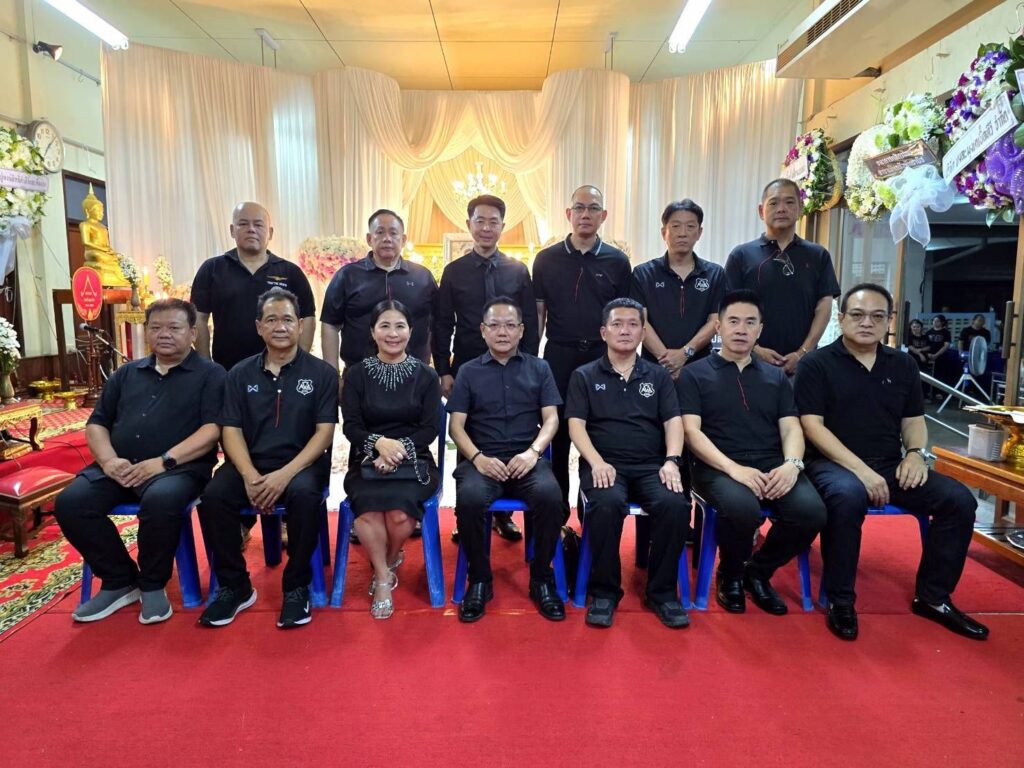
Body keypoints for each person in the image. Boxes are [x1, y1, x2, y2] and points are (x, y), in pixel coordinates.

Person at [795, 283, 988, 641]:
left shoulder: (902, 365)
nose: (866, 322)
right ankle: (840, 600)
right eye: (857, 314)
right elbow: (812, 426)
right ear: (841, 318)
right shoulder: (817, 364)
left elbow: (913, 421)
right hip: (830, 464)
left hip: (889, 464)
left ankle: (933, 597)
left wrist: (915, 454)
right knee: (848, 495)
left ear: (889, 322)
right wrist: (862, 472)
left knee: (959, 500)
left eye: (877, 316)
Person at [54, 299, 225, 623]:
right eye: (156, 327)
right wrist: (108, 461)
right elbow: (97, 424)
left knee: (161, 500)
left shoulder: (211, 374)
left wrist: (164, 461)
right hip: (118, 467)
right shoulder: (126, 373)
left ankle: (152, 584)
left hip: (178, 469)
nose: (164, 334)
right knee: (71, 503)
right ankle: (119, 579)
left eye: (174, 328)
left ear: (192, 332)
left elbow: (212, 430)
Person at [679, 289, 826, 615]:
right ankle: (729, 574)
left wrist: (792, 464)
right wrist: (734, 469)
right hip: (716, 467)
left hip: (772, 464)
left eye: (750, 322)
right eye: (733, 321)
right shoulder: (694, 374)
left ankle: (758, 571)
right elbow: (691, 433)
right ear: (718, 326)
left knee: (811, 512)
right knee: (743, 509)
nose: (741, 329)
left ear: (760, 330)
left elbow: (791, 428)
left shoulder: (776, 377)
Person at [198, 287, 338, 629]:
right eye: (271, 320)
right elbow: (230, 430)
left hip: (301, 464)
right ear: (259, 327)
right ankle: (235, 586)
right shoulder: (239, 374)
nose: (280, 327)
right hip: (250, 463)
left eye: (288, 319)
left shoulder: (322, 374)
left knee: (304, 495)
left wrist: (284, 475)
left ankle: (296, 586)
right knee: (214, 495)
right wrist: (249, 475)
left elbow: (324, 434)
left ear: (300, 325)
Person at [566, 298, 690, 629]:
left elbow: (673, 421)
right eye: (617, 324)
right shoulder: (584, 375)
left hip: (652, 465)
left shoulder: (658, 376)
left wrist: (672, 461)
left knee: (675, 505)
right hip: (604, 464)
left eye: (633, 324)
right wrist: (596, 462)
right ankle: (604, 592)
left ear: (643, 332)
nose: (625, 330)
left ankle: (662, 593)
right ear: (603, 332)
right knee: (606, 504)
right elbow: (576, 425)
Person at [446, 297, 564, 623]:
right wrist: (478, 458)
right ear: (482, 330)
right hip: (483, 460)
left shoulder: (539, 368)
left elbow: (551, 419)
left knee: (551, 497)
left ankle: (541, 578)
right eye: (495, 325)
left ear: (522, 330)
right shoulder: (468, 371)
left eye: (510, 325)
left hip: (527, 459)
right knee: (470, 499)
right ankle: (479, 580)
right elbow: (456, 426)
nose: (502, 332)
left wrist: (533, 452)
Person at [434, 194, 538, 542]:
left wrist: (529, 366)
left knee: (508, 431)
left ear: (502, 227)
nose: (486, 228)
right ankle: (468, 514)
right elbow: (442, 323)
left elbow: (530, 322)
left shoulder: (517, 270)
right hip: (467, 365)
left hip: (512, 366)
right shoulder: (454, 272)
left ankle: (503, 515)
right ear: (469, 225)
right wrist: (443, 369)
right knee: (468, 433)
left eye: (494, 222)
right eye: (480, 221)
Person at [533, 185, 631, 517]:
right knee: (558, 433)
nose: (585, 214)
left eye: (593, 208)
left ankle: (591, 507)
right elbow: (539, 313)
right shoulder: (546, 259)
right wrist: (532, 360)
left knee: (598, 430)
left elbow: (624, 316)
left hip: (601, 359)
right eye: (579, 207)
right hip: (558, 355)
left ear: (604, 215)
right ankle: (558, 510)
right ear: (568, 214)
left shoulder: (618, 261)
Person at [341, 300, 441, 619]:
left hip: (416, 460)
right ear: (373, 332)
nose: (393, 333)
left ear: (411, 331)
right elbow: (351, 426)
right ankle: (384, 576)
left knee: (399, 514)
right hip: (366, 460)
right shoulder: (355, 375)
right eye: (384, 326)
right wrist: (379, 445)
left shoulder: (427, 376)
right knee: (368, 511)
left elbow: (429, 429)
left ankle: (391, 556)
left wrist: (396, 452)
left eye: (400, 326)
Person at [725, 179, 840, 375]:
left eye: (789, 202)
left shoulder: (818, 255)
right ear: (761, 211)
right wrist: (755, 349)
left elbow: (824, 307)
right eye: (774, 203)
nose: (781, 209)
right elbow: (729, 308)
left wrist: (802, 353)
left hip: (803, 365)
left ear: (800, 208)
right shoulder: (741, 255)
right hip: (748, 362)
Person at [192, 202, 316, 373]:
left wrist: (298, 364)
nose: (251, 229)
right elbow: (198, 318)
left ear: (270, 232)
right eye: (243, 224)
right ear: (232, 230)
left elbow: (307, 317)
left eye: (258, 224)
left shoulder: (290, 272)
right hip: (226, 371)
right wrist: (207, 365)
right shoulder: (212, 269)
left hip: (281, 372)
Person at [321, 209, 437, 380]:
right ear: (369, 239)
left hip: (415, 377)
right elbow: (330, 325)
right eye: (380, 232)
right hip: (360, 377)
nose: (387, 238)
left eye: (393, 233)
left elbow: (437, 323)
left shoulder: (422, 277)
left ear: (403, 239)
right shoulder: (348, 276)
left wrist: (439, 370)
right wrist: (332, 377)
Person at [630, 199, 728, 376]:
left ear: (699, 233)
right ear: (664, 232)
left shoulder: (715, 274)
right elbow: (640, 320)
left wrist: (685, 353)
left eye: (690, 227)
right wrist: (667, 360)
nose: (683, 233)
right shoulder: (643, 273)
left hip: (701, 368)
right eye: (675, 226)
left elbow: (715, 321)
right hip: (653, 368)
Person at [925, 314, 953, 400]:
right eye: (934, 321)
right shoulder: (928, 332)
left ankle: (939, 392)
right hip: (929, 356)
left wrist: (936, 355)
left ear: (942, 322)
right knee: (930, 375)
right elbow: (925, 345)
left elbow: (946, 345)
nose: (935, 322)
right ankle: (929, 392)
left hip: (942, 356)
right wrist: (928, 354)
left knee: (941, 375)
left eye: (937, 321)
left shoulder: (946, 332)